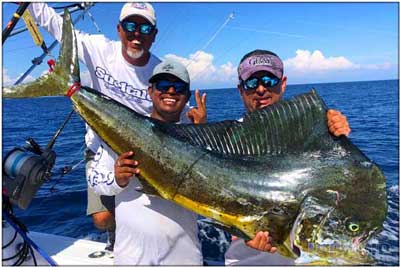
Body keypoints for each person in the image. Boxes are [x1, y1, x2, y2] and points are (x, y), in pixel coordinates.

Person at [28, 2, 191, 251]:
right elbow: (58, 27)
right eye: (130, 25)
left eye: (145, 28)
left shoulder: (158, 72)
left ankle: (131, 241)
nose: (137, 33)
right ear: (119, 29)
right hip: (100, 148)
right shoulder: (99, 49)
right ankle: (116, 235)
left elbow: (173, 107)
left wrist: (196, 120)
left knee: (143, 212)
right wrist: (32, 4)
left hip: (141, 157)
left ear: (154, 35)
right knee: (102, 218)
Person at [224, 49, 351, 265]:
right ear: (240, 89)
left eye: (268, 80)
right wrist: (245, 233)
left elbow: (339, 191)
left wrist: (339, 140)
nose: (261, 89)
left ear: (282, 84)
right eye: (251, 83)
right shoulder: (227, 142)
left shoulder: (310, 134)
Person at [87, 59, 207, 265]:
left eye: (178, 87)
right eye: (162, 85)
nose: (170, 91)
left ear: (187, 96)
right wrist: (116, 179)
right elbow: (94, 180)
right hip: (131, 259)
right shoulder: (122, 130)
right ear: (150, 91)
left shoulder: (199, 136)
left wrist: (202, 133)